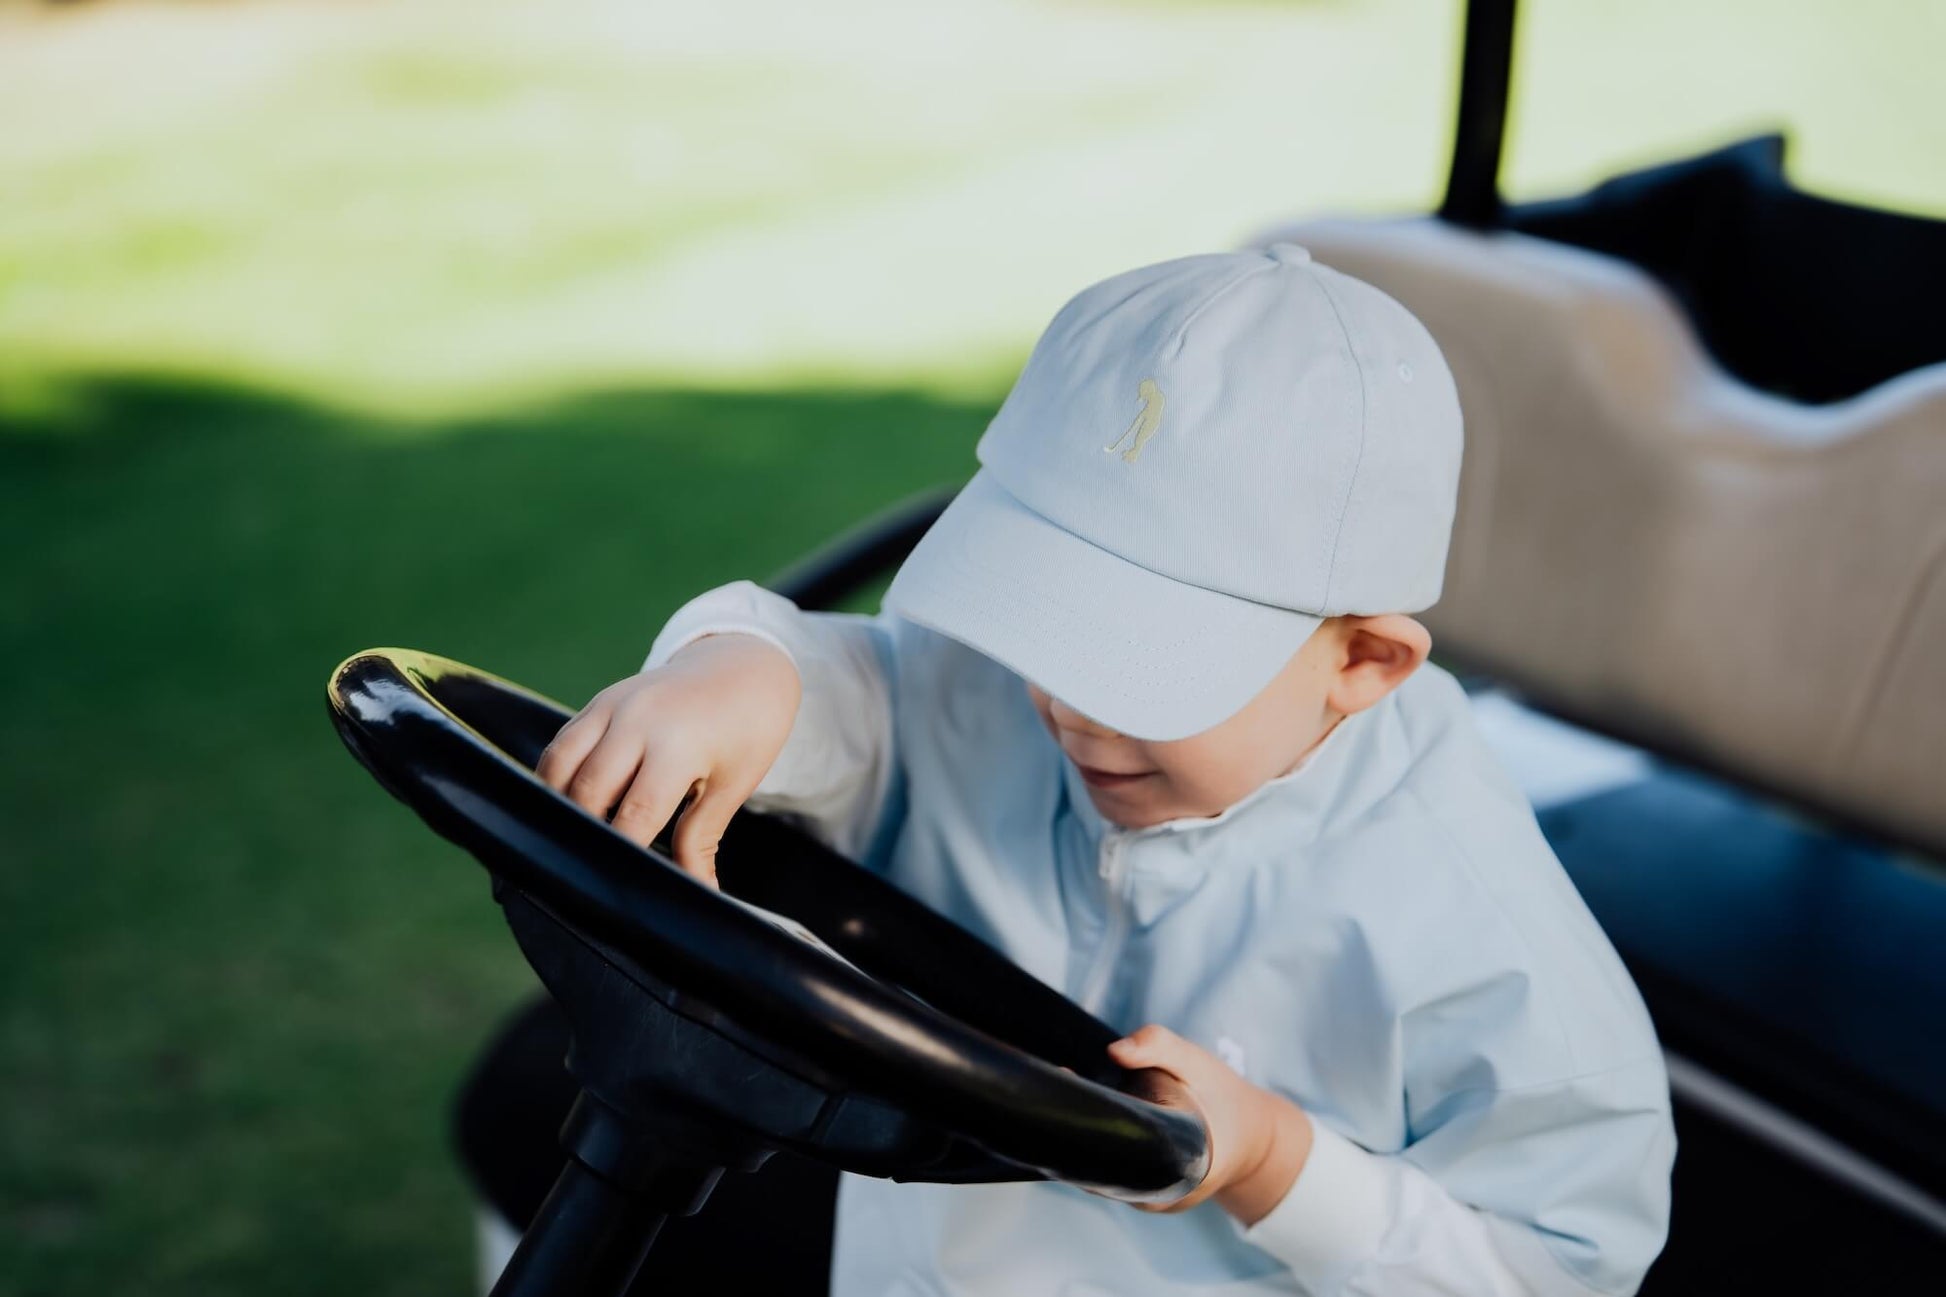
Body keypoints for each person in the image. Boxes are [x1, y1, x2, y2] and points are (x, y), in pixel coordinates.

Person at [533, 242, 1677, 1295]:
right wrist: (738, 664)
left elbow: (1554, 1268)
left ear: (1365, 660)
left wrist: (1273, 1162)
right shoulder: (989, 698)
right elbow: (864, 688)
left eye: (1140, 666)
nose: (1068, 706)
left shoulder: (1481, 940)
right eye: (1048, 624)